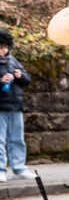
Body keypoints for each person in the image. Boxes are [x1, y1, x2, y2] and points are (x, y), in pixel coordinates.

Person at [0, 30, 34, 183]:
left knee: (17, 139)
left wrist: (21, 76)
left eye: (5, 47)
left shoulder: (13, 61)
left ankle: (19, 168)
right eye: (0, 47)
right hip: (1, 107)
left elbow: (27, 80)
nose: (3, 50)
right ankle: (1, 170)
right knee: (0, 140)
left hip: (16, 107)